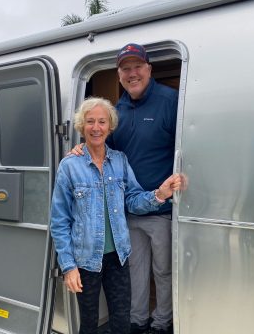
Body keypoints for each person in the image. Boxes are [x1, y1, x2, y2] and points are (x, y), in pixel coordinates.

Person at [71, 43, 179, 334]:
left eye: (137, 67)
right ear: (119, 75)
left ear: (149, 69)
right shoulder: (117, 111)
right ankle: (137, 320)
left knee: (164, 271)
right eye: (125, 69)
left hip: (162, 209)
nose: (132, 74)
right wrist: (80, 148)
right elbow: (102, 147)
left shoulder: (170, 101)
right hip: (126, 211)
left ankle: (161, 322)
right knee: (135, 270)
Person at [50, 97, 181, 334]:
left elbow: (132, 200)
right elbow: (60, 221)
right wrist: (68, 266)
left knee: (121, 321)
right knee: (89, 324)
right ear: (81, 126)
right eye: (90, 121)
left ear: (110, 126)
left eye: (102, 122)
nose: (96, 127)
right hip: (86, 259)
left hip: (118, 257)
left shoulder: (120, 160)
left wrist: (159, 194)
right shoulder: (69, 166)